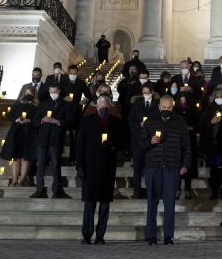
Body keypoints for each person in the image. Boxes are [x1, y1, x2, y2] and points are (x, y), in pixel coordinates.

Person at [140, 95, 191, 245]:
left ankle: (168, 236)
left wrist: (185, 165)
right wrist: (150, 141)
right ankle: (151, 236)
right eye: (164, 107)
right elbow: (140, 144)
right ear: (159, 107)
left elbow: (187, 146)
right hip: (153, 167)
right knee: (152, 202)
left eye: (169, 107)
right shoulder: (150, 121)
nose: (166, 110)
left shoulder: (180, 122)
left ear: (173, 107)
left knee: (170, 203)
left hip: (172, 167)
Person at [77, 95, 121, 245]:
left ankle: (100, 235)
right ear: (96, 106)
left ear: (110, 106)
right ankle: (87, 235)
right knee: (89, 203)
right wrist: (80, 166)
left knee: (104, 204)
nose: (103, 108)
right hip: (90, 167)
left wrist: (112, 143)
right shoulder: (87, 121)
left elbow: (122, 142)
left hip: (107, 167)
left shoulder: (116, 122)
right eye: (101, 105)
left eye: (106, 106)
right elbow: (80, 144)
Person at [30, 84, 71, 199]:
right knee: (41, 165)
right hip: (42, 139)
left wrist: (57, 121)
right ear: (48, 91)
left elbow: (69, 122)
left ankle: (57, 190)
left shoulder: (65, 105)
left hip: (56, 138)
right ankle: (39, 189)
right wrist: (42, 120)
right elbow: (35, 121)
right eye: (51, 92)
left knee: (56, 165)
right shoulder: (43, 104)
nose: (53, 94)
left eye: (55, 92)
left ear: (59, 91)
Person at [0, 86, 39, 186]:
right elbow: (10, 116)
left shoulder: (37, 106)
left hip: (29, 133)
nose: (28, 95)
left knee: (26, 157)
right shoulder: (18, 103)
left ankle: (22, 180)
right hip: (17, 132)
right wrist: (16, 119)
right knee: (16, 157)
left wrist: (29, 120)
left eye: (30, 94)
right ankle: (14, 180)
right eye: (26, 93)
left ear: (34, 95)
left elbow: (38, 119)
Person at [128, 84, 160, 198]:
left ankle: (152, 191)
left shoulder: (157, 104)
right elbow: (130, 120)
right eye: (144, 93)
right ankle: (136, 190)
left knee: (151, 168)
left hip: (152, 142)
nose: (146, 95)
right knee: (137, 168)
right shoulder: (137, 104)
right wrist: (139, 124)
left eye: (148, 92)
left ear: (152, 92)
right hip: (138, 141)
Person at [174, 90, 200, 199]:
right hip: (178, 141)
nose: (183, 102)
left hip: (190, 140)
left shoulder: (193, 111)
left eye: (185, 100)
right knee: (178, 164)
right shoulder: (175, 111)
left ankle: (188, 189)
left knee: (189, 163)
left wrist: (191, 128)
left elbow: (198, 125)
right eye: (181, 101)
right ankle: (177, 188)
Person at [61, 64, 88, 166]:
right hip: (63, 112)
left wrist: (86, 99)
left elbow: (88, 95)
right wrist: (64, 98)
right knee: (59, 136)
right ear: (68, 73)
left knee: (74, 137)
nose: (73, 75)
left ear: (77, 73)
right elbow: (57, 94)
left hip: (76, 113)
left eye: (74, 73)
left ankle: (73, 158)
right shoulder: (62, 82)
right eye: (71, 73)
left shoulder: (81, 83)